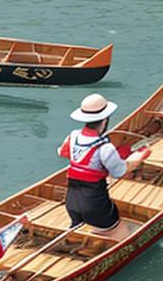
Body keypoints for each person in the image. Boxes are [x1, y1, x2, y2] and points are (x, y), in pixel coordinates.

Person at [59, 93, 150, 239]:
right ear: (105, 119)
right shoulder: (105, 147)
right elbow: (120, 172)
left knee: (83, 225)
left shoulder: (73, 136)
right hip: (95, 203)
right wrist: (141, 155)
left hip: (71, 202)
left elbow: (62, 153)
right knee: (119, 231)